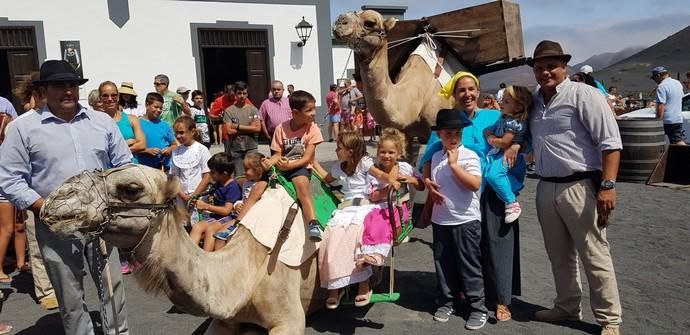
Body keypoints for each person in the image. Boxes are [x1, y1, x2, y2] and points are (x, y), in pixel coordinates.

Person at [0, 59, 131, 334]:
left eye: (72, 84)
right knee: (70, 296)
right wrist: (43, 206)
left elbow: (123, 165)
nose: (68, 91)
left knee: (113, 289)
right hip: (54, 223)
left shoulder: (101, 122)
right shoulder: (24, 128)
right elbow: (9, 178)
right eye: (59, 85)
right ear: (44, 90)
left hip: (101, 221)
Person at [529, 40, 623, 335]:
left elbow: (611, 143)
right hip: (546, 186)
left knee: (594, 254)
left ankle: (609, 320)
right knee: (558, 255)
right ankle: (567, 305)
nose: (546, 72)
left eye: (552, 66)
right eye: (540, 67)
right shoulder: (533, 100)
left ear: (564, 67)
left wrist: (607, 186)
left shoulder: (584, 95)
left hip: (581, 185)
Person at [420, 71, 523, 323]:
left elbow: (519, 135)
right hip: (461, 193)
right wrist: (428, 182)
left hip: (492, 188)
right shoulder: (447, 123)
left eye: (471, 89)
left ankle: (500, 300)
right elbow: (427, 158)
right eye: (461, 90)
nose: (466, 94)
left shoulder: (494, 116)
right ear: (454, 94)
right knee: (464, 249)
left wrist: (515, 145)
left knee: (497, 244)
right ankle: (460, 295)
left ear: (478, 92)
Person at [426, 108, 488, 330]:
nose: (453, 138)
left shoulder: (469, 155)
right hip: (441, 219)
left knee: (469, 265)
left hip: (465, 220)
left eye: (457, 133)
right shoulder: (435, 157)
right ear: (439, 134)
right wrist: (430, 190)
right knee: (444, 264)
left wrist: (454, 165)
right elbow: (436, 183)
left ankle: (478, 307)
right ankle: (447, 301)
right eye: (448, 133)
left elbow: (474, 184)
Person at [9, 74, 58, 310]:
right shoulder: (21, 124)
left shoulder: (63, 120)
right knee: (37, 244)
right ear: (36, 93)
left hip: (61, 193)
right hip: (34, 195)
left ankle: (62, 285)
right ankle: (45, 290)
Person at [313, 131, 378, 309]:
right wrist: (312, 162)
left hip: (364, 206)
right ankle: (336, 287)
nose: (336, 150)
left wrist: (392, 179)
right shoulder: (339, 166)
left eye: (339, 148)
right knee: (330, 238)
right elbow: (327, 178)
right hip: (345, 208)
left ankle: (364, 282)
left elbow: (379, 174)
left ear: (350, 151)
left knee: (355, 236)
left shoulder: (364, 163)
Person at [262, 90, 323, 242]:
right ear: (295, 113)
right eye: (309, 110)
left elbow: (307, 158)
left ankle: (313, 223)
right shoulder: (280, 129)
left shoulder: (313, 129)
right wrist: (270, 162)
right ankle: (241, 219)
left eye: (314, 109)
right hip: (283, 165)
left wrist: (289, 166)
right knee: (259, 186)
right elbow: (277, 154)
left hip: (300, 166)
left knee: (301, 185)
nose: (313, 113)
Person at [360, 128, 424, 267]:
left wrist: (411, 179)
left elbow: (421, 186)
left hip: (400, 207)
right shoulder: (375, 172)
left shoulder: (405, 168)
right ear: (377, 152)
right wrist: (389, 187)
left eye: (391, 152)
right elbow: (374, 196)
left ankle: (378, 254)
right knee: (367, 219)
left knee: (381, 220)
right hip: (379, 206)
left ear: (399, 154)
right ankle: (366, 254)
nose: (386, 156)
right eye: (383, 152)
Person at [483, 85, 532, 223]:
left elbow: (505, 142)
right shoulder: (504, 118)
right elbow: (490, 129)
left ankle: (512, 203)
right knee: (491, 174)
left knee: (495, 175)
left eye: (506, 102)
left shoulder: (514, 122)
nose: (501, 103)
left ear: (517, 107)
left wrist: (490, 138)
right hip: (500, 154)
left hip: (505, 154)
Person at [212, 151, 269, 248]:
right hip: (240, 216)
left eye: (247, 169)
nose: (243, 172)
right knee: (219, 236)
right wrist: (237, 204)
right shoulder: (246, 184)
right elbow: (242, 199)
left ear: (258, 170)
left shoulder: (263, 186)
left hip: (251, 219)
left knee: (221, 237)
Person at [189, 153, 242, 251]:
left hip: (229, 217)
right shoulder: (219, 182)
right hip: (218, 217)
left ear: (224, 173)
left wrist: (206, 206)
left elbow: (227, 211)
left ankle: (207, 257)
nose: (210, 174)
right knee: (197, 227)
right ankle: (190, 255)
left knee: (211, 230)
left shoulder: (232, 187)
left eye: (213, 172)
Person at [170, 116, 212, 226]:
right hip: (182, 196)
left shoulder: (202, 150)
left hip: (198, 196)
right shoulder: (176, 152)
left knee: (198, 225)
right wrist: (182, 194)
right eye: (176, 133)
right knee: (183, 225)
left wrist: (194, 195)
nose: (178, 136)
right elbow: (174, 177)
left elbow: (207, 176)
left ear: (192, 131)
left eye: (181, 132)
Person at [99, 81, 147, 165]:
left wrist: (115, 150)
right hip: (108, 172)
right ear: (100, 98)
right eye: (105, 96)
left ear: (118, 97)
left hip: (131, 169)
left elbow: (142, 144)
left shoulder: (132, 119)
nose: (110, 99)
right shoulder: (96, 122)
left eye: (113, 95)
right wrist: (128, 142)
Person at [224, 81, 261, 177]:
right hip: (236, 148)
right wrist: (250, 127)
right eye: (239, 93)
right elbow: (229, 130)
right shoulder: (229, 111)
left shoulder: (253, 109)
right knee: (239, 176)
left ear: (247, 94)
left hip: (251, 146)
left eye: (244, 93)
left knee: (253, 174)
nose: (242, 96)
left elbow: (257, 128)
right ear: (235, 94)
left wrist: (238, 126)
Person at [136, 92, 177, 170]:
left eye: (161, 108)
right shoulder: (137, 123)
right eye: (156, 107)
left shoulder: (165, 125)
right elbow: (132, 148)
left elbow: (174, 145)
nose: (159, 110)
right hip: (143, 168)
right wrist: (147, 151)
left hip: (163, 168)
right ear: (147, 105)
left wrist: (168, 149)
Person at [651, 66, 687, 145]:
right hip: (677, 118)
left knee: (655, 140)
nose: (655, 81)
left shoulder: (662, 86)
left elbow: (661, 105)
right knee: (677, 140)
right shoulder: (677, 83)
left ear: (658, 75)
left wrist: (658, 121)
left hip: (666, 120)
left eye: (654, 78)